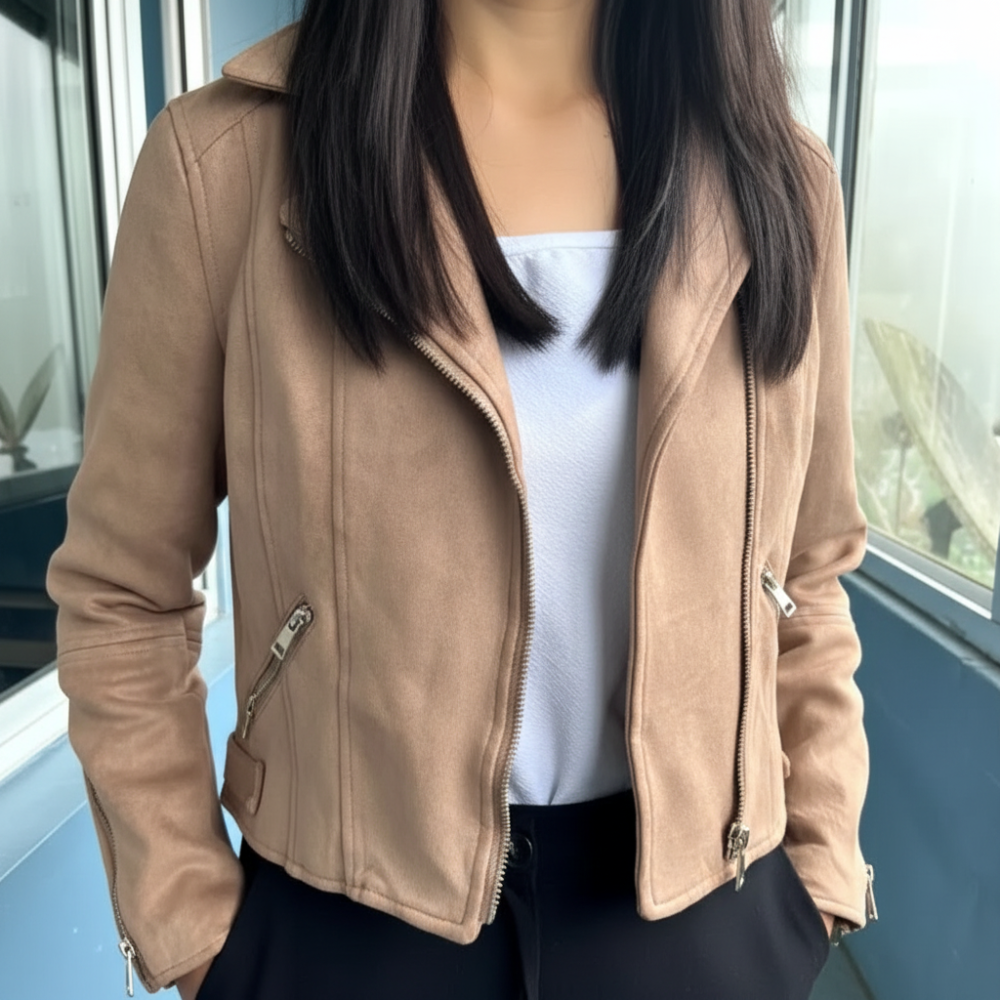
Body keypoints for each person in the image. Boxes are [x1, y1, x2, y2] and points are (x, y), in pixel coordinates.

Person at [46, 1, 877, 998]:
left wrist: (820, 868)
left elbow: (807, 572)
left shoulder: (781, 182)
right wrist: (195, 934)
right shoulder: (227, 164)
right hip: (346, 928)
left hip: (706, 918)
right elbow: (122, 593)